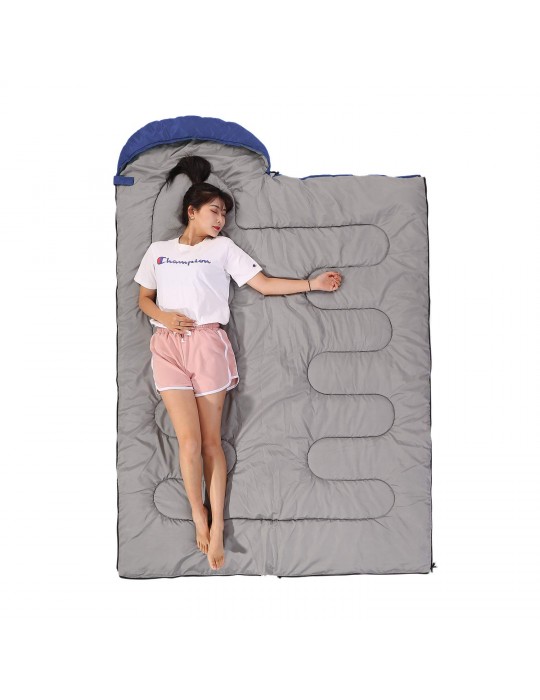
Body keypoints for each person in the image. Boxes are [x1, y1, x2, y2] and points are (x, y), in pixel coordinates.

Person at [134, 155, 342, 571]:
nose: (221, 220)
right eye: (214, 211)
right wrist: (164, 317)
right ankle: (199, 516)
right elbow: (143, 299)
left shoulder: (223, 248)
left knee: (211, 443)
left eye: (225, 214)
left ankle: (218, 527)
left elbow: (262, 284)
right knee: (188, 443)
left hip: (208, 344)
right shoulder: (158, 251)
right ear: (191, 212)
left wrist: (311, 284)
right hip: (167, 345)